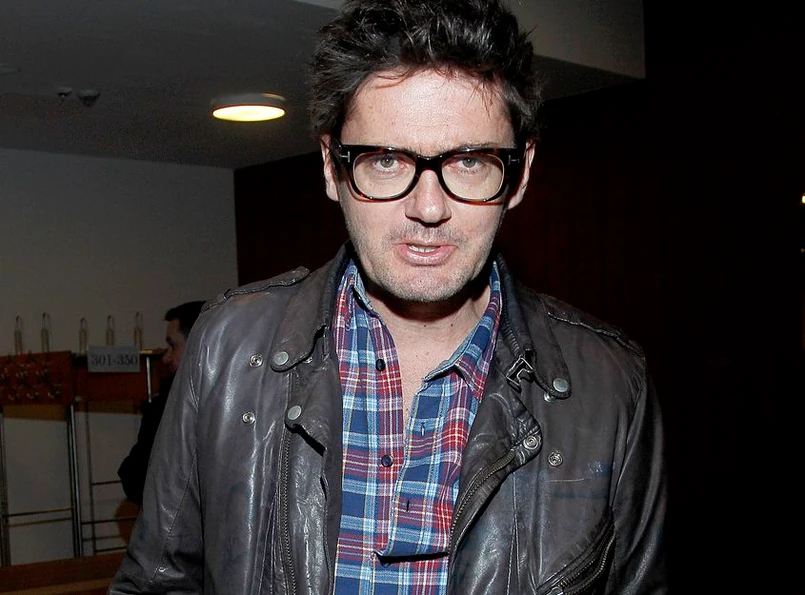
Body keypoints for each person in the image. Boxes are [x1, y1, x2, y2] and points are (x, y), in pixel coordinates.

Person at [109, 1, 667, 593]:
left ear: (521, 172)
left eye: (470, 162)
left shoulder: (611, 385)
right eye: (385, 160)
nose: (428, 208)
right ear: (332, 167)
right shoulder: (227, 346)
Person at [116, 300, 205, 505]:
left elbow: (138, 479)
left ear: (198, 346)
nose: (166, 357)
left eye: (173, 345)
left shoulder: (169, 407)